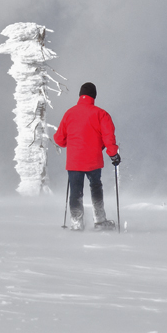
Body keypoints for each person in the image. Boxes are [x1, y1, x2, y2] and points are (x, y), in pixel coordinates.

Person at [53, 82, 120, 231]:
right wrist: (113, 154)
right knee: (96, 187)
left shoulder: (69, 113)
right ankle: (100, 220)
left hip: (74, 161)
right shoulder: (101, 114)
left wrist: (69, 143)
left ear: (80, 95)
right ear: (94, 96)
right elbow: (108, 138)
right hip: (93, 160)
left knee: (76, 190)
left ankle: (76, 223)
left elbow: (59, 139)